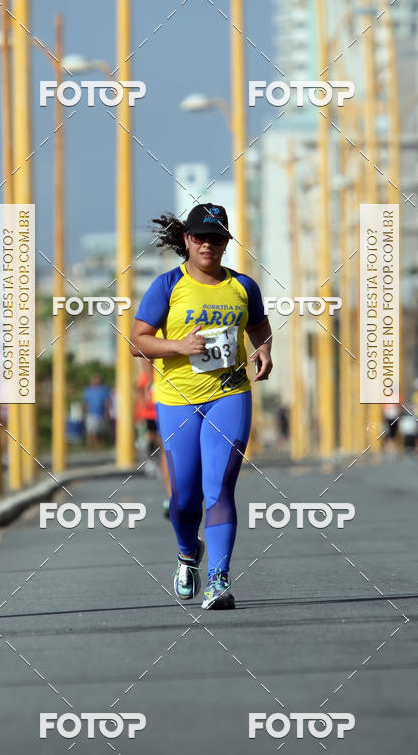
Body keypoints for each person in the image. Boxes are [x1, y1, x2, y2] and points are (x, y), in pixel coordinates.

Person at [129, 204, 273, 610]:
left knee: (220, 488)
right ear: (187, 241)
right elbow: (137, 340)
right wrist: (178, 346)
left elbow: (259, 324)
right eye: (200, 237)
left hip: (230, 395)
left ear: (227, 242)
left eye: (216, 238)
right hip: (178, 401)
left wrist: (264, 350)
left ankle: (219, 580)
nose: (207, 244)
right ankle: (188, 553)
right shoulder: (167, 286)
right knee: (184, 498)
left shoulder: (244, 286)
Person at [135, 361, 171, 518]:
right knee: (163, 445)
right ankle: (172, 497)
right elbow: (141, 390)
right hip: (158, 406)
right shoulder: (147, 374)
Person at [82, 374, 110, 449]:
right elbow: (85, 403)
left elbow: (106, 402)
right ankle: (90, 446)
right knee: (91, 431)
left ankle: (99, 446)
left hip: (101, 414)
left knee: (100, 432)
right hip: (91, 414)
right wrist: (84, 414)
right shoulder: (88, 390)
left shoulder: (103, 390)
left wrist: (107, 413)